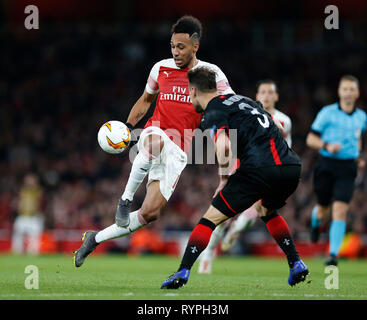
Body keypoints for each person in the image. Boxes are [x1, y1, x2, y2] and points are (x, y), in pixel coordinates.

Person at [73, 16, 234, 267]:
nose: (175, 52)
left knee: (150, 213)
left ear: (195, 47)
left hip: (181, 148)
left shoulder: (211, 73)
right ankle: (125, 200)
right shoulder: (161, 68)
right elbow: (146, 100)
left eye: (181, 47)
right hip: (155, 132)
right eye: (172, 46)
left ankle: (95, 239)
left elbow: (231, 103)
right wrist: (128, 127)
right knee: (155, 141)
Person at [161, 67, 309, 289]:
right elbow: (277, 125)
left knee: (210, 219)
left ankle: (183, 271)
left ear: (193, 91)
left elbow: (224, 146)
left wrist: (224, 178)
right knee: (265, 210)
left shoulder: (213, 111)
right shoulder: (245, 100)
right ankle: (296, 262)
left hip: (259, 169)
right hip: (291, 167)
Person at [198, 79, 293, 274]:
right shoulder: (245, 111)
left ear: (276, 96)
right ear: (257, 96)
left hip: (269, 168)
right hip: (242, 164)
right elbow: (229, 142)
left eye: (270, 92)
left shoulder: (284, 121)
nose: (266, 95)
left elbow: (286, 147)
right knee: (223, 216)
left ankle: (236, 230)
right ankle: (208, 254)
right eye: (263, 92)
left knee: (259, 210)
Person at [306, 75, 366, 266]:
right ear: (339, 92)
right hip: (326, 163)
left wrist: (357, 155)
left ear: (357, 93)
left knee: (340, 209)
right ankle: (316, 224)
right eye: (344, 89)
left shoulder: (361, 117)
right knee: (323, 209)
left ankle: (332, 254)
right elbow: (310, 139)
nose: (348, 92)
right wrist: (327, 145)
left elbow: (358, 137)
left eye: (351, 89)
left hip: (348, 167)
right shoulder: (327, 113)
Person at [12, 173, 44, 254]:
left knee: (34, 237)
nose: (29, 182)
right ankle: (16, 252)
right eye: (28, 180)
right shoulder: (21, 190)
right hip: (22, 216)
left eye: (31, 180)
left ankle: (33, 253)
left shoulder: (38, 190)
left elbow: (40, 199)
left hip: (33, 217)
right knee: (17, 235)